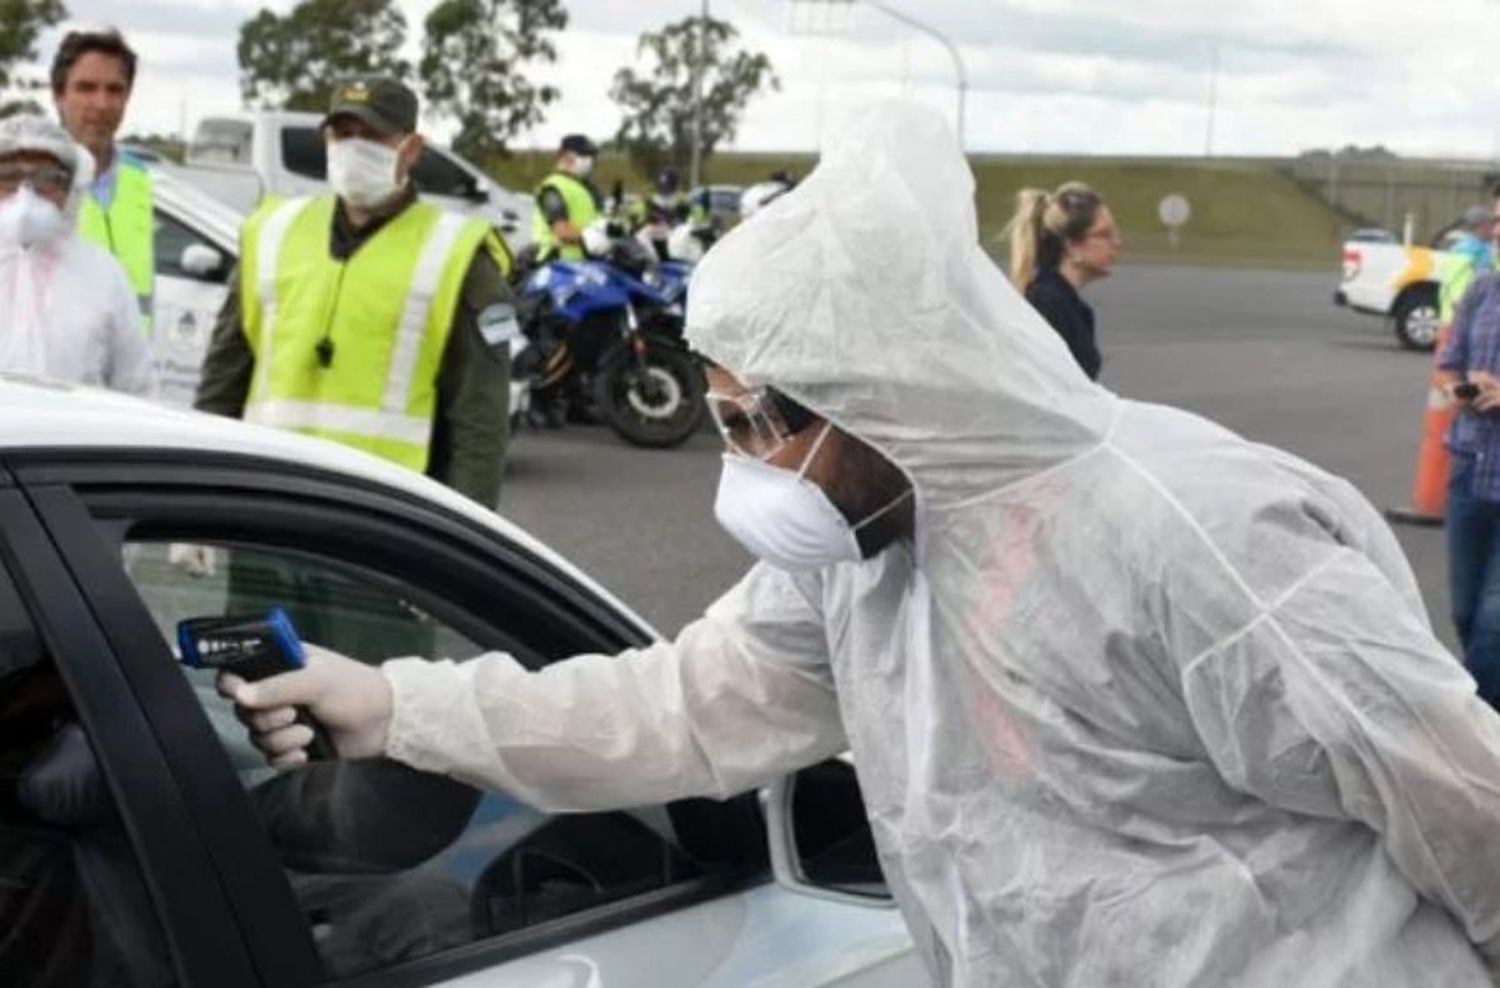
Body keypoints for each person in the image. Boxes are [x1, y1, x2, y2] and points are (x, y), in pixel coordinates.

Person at [223, 102, 1500, 986]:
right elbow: (683, 706)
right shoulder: (862, 547)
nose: (743, 464)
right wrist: (396, 701)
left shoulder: (1200, 535)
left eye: (756, 421)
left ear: (883, 388)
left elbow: (1466, 800)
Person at [195, 77, 515, 509]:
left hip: (384, 518)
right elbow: (224, 379)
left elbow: (480, 419)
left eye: (374, 136)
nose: (354, 148)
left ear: (412, 148)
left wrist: (476, 533)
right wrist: (199, 496)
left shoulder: (459, 254)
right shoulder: (271, 232)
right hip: (269, 503)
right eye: (343, 134)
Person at [0, 115, 154, 396]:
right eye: (9, 177)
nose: (26, 196)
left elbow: (135, 386)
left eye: (47, 179)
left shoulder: (103, 276)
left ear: (71, 188)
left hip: (73, 436)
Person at [51, 27, 154, 326]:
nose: (101, 104)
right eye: (86, 88)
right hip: (49, 371)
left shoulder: (143, 181)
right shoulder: (27, 182)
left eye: (114, 89)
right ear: (59, 95)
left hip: (126, 367)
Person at [1008, 181, 1119, 381]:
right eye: (1104, 235)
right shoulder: (1047, 303)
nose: (1116, 244)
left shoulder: (1069, 304)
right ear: (1072, 246)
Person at [531, 134, 602, 262]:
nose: (590, 160)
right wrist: (593, 238)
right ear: (567, 156)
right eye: (585, 155)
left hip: (582, 265)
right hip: (558, 266)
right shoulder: (553, 187)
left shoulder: (584, 188)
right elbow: (561, 229)